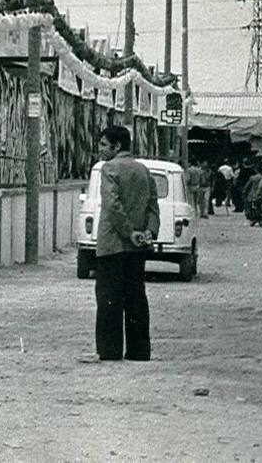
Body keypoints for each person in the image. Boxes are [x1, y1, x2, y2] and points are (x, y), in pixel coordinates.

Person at [93, 125, 159, 362]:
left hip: (112, 244)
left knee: (109, 298)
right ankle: (139, 351)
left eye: (103, 144)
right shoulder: (143, 170)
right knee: (136, 297)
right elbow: (153, 205)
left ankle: (110, 351)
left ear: (116, 146)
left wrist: (128, 232)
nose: (100, 149)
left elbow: (112, 205)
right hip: (137, 247)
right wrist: (148, 232)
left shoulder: (109, 168)